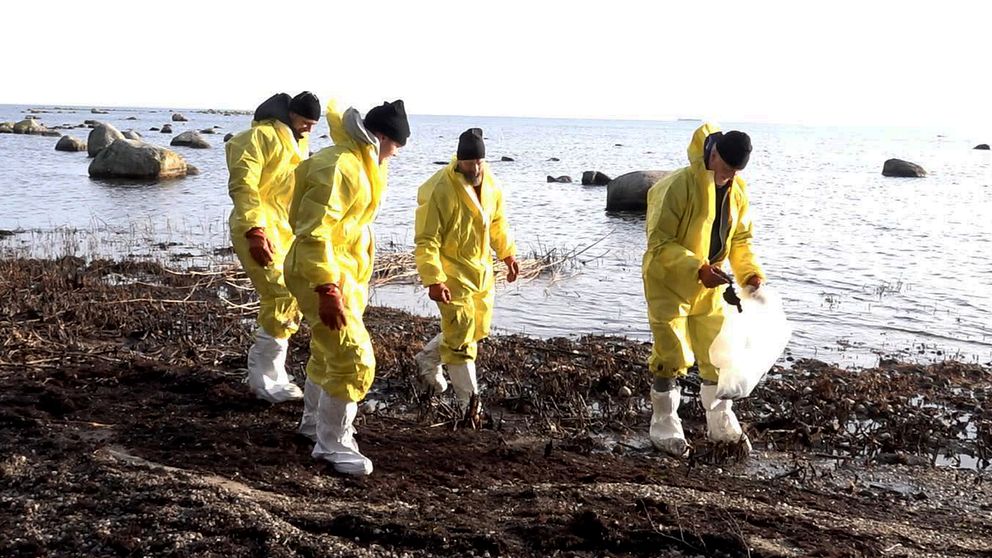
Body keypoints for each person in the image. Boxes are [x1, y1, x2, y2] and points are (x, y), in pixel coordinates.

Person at [284, 99, 409, 476]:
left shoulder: (363, 162)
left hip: (342, 273)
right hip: (320, 273)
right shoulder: (340, 166)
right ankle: (332, 444)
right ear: (382, 136)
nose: (396, 155)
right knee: (354, 358)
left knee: (327, 351)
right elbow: (314, 232)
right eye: (395, 147)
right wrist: (327, 289)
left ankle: (312, 425)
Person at [642, 123, 765, 457]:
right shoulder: (676, 186)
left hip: (710, 285)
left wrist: (750, 274)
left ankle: (720, 422)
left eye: (735, 172)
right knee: (672, 355)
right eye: (725, 170)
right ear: (713, 154)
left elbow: (740, 239)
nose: (728, 177)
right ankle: (664, 423)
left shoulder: (737, 189)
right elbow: (660, 243)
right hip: (669, 282)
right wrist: (697, 268)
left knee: (718, 355)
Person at [412, 128, 518, 417]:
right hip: (451, 272)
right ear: (459, 161)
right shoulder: (438, 189)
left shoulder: (491, 184)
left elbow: (497, 223)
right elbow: (426, 240)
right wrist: (433, 279)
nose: (476, 168)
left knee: (475, 330)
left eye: (480, 162)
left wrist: (507, 254)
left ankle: (427, 360)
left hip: (481, 270)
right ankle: (470, 405)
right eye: (470, 162)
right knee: (460, 337)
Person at [226, 91, 321, 403]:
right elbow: (244, 186)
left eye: (313, 124)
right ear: (290, 114)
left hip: (284, 231)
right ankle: (264, 380)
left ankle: (273, 374)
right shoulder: (254, 138)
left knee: (291, 295)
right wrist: (255, 229)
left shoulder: (298, 143)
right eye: (305, 122)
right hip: (254, 228)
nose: (308, 128)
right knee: (279, 294)